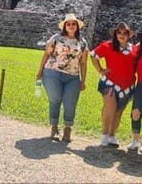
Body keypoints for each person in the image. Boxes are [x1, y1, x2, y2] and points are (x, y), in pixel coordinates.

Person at [35, 13, 88, 142]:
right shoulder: (56, 38)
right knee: (55, 100)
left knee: (70, 103)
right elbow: (46, 55)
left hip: (73, 77)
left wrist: (83, 80)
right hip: (53, 73)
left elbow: (83, 63)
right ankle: (54, 128)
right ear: (64, 26)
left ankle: (68, 129)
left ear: (77, 26)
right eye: (68, 24)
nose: (71, 26)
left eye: (73, 24)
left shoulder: (82, 43)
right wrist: (40, 71)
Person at [90, 22, 136, 147]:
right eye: (119, 32)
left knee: (119, 112)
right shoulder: (107, 46)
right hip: (110, 83)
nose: (122, 35)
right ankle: (104, 134)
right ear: (115, 34)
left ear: (129, 35)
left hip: (128, 86)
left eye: (125, 33)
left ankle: (112, 135)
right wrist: (100, 70)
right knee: (109, 108)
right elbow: (93, 55)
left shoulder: (134, 49)